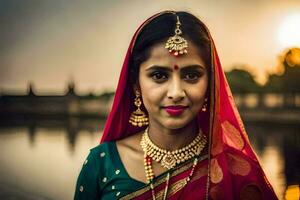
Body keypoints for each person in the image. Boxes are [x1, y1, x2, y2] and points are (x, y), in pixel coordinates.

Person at [74, 11, 278, 200]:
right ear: (136, 85)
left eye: (191, 75)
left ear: (210, 83)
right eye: (159, 75)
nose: (176, 93)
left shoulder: (238, 171)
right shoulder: (102, 162)